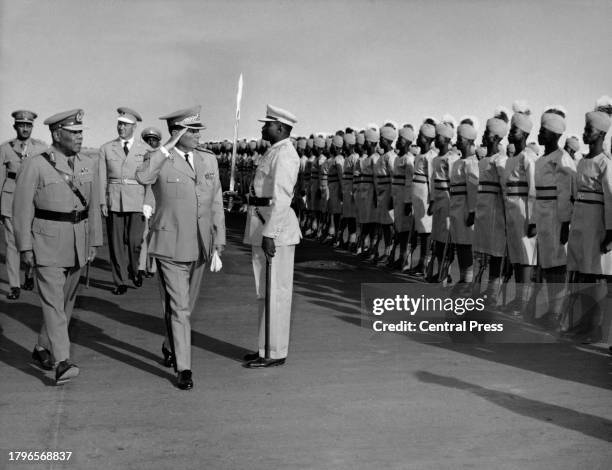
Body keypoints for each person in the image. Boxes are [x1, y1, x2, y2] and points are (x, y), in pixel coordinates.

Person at [136, 106, 225, 390]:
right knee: (180, 308)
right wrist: (166, 148)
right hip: (170, 246)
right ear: (178, 133)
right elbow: (143, 178)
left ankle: (169, 342)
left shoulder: (208, 160)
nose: (199, 135)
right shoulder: (159, 159)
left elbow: (216, 202)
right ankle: (184, 367)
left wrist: (218, 241)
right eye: (193, 130)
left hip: (200, 245)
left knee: (185, 307)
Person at [13, 109, 103, 384]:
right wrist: (25, 247)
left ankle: (42, 347)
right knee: (53, 304)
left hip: (78, 242)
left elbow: (93, 206)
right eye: (73, 133)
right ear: (56, 134)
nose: (79, 137)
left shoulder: (88, 163)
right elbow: (21, 209)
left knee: (64, 303)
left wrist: (94, 240)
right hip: (47, 242)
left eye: (80, 132)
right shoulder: (36, 164)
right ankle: (62, 362)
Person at [243, 104, 301, 368]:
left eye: (267, 124)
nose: (263, 128)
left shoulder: (286, 154)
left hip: (274, 231)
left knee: (276, 292)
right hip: (263, 226)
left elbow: (281, 199)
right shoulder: (274, 151)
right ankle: (265, 346)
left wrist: (269, 234)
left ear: (280, 127)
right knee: (265, 292)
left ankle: (275, 352)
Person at [533, 107, 576, 327]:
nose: (539, 134)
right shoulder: (542, 160)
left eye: (544, 130)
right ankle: (551, 310)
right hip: (542, 215)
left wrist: (565, 223)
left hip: (556, 217)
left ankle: (557, 313)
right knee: (548, 264)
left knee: (557, 264)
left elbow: (566, 193)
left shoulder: (562, 159)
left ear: (555, 134)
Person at [99, 107, 150, 294]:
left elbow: (150, 179)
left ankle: (135, 270)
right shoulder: (106, 148)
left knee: (135, 240)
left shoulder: (145, 149)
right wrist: (102, 202)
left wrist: (149, 202)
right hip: (114, 199)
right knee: (116, 243)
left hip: (137, 200)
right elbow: (101, 178)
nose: (121, 127)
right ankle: (119, 281)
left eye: (125, 125)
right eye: (119, 124)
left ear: (134, 127)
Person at [0, 110, 47, 299]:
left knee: (32, 241)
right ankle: (14, 285)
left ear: (32, 127)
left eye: (28, 125)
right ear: (15, 127)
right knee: (12, 244)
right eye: (21, 125)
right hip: (10, 200)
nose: (25, 128)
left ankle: (29, 275)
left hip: (32, 201)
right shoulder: (5, 148)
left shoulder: (41, 148)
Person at [138, 126, 163, 278]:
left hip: (159, 201)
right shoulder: (142, 156)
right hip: (145, 199)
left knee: (156, 235)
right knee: (144, 235)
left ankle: (152, 267)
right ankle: (141, 266)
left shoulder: (164, 156)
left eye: (154, 140)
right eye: (148, 140)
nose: (151, 143)